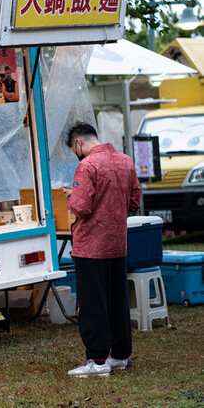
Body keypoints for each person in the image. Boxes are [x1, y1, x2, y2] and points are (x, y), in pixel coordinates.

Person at [64, 121, 141, 378]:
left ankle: (97, 361)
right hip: (117, 243)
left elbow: (81, 207)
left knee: (93, 304)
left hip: (90, 246)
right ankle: (120, 356)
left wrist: (70, 196)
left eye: (74, 150)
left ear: (78, 143)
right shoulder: (126, 161)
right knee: (117, 301)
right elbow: (134, 202)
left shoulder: (87, 166)